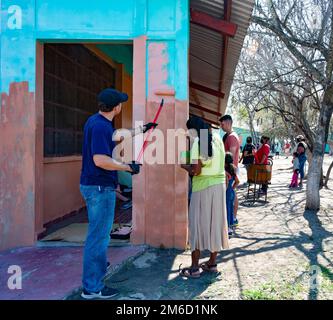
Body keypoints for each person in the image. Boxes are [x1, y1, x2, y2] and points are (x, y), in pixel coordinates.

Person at [80, 88, 157, 299]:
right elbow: (100, 160)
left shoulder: (97, 122)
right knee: (98, 238)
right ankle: (92, 287)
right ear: (116, 107)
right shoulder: (100, 127)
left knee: (99, 236)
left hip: (96, 186)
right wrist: (128, 167)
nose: (121, 105)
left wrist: (141, 130)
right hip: (99, 188)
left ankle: (95, 275)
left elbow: (116, 136)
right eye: (121, 103)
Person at [180, 116, 228, 278]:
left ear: (193, 130)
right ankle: (212, 264)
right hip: (219, 187)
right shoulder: (218, 139)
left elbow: (196, 171)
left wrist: (183, 165)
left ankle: (194, 268)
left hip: (202, 188)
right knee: (216, 223)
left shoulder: (197, 143)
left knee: (197, 225)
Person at [219, 114, 240, 227]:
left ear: (228, 122)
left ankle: (232, 219)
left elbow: (230, 156)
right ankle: (233, 218)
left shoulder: (231, 137)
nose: (221, 126)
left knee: (230, 196)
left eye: (222, 124)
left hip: (229, 171)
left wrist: (228, 171)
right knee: (232, 194)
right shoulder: (230, 136)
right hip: (230, 171)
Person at [225, 152, 240, 237]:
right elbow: (237, 181)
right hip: (231, 192)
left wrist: (228, 188)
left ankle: (226, 228)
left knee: (226, 209)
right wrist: (232, 188)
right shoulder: (233, 169)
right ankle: (230, 228)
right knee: (230, 209)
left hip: (226, 192)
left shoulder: (224, 170)